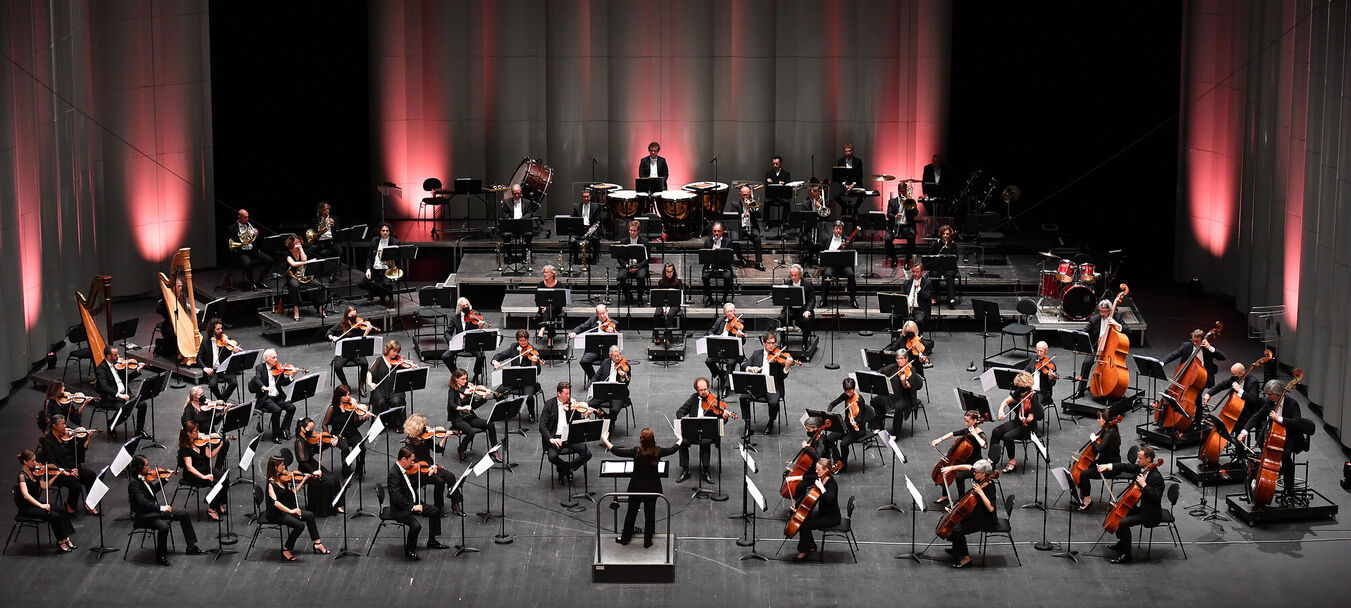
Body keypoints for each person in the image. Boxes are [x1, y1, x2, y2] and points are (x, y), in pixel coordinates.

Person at [1238, 379, 1316, 503]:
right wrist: (1244, 431)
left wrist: (1279, 419)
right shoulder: (1270, 402)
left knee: (1285, 457)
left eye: (1269, 394)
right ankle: (1256, 486)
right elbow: (1257, 416)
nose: (1267, 397)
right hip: (1275, 436)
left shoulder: (1292, 404)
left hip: (1292, 437)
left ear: (1279, 394)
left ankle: (1288, 489)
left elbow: (1297, 423)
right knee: (1262, 455)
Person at [602, 428, 681, 548]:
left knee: (631, 514)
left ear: (641, 440)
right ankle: (647, 541)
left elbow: (617, 451)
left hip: (636, 488)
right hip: (652, 489)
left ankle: (625, 539)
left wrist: (605, 440)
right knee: (650, 516)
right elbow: (673, 449)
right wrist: (680, 440)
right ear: (653, 439)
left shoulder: (636, 451)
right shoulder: (657, 451)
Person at [127, 454, 202, 565]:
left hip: (155, 510)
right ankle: (161, 556)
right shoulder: (134, 484)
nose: (149, 468)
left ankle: (191, 547)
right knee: (163, 527)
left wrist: (166, 478)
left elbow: (153, 490)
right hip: (145, 515)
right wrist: (162, 508)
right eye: (146, 466)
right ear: (139, 468)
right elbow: (143, 503)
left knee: (184, 514)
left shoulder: (144, 478)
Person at [1097, 446, 1163, 563]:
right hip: (1138, 507)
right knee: (1117, 511)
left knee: (1122, 522)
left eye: (1140, 458)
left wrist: (1144, 486)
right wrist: (1108, 466)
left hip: (1148, 512)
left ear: (1148, 459)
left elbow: (1156, 498)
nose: (1138, 460)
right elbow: (1125, 466)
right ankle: (1122, 542)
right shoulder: (1141, 469)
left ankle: (1126, 555)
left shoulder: (1157, 477)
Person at [265, 455, 329, 561]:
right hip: (277, 513)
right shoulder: (271, 484)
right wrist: (291, 510)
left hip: (287, 509)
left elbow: (293, 493)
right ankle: (286, 549)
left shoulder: (283, 479)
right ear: (275, 467)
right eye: (282, 465)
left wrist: (303, 480)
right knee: (299, 525)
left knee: (310, 515)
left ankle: (317, 543)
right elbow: (275, 503)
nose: (285, 467)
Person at [389, 446, 447, 560]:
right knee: (416, 526)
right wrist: (412, 507)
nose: (413, 463)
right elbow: (397, 497)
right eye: (411, 461)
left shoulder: (406, 468)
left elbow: (418, 481)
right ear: (404, 459)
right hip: (401, 508)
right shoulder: (394, 474)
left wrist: (429, 472)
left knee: (436, 511)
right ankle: (410, 550)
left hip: (413, 501)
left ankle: (432, 541)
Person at [937, 459, 998, 568]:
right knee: (954, 521)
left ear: (983, 474)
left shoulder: (990, 487)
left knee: (957, 529)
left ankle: (966, 558)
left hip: (986, 519)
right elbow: (969, 467)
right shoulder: (980, 477)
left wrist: (981, 493)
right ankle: (956, 549)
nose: (973, 474)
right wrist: (952, 468)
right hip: (976, 513)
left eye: (976, 473)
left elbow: (991, 508)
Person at [402, 414, 466, 516]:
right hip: (418, 470)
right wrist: (429, 468)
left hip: (431, 465)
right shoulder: (409, 442)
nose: (426, 427)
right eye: (423, 425)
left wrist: (444, 437)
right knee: (439, 481)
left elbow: (438, 449)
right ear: (417, 427)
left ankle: (455, 504)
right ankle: (438, 507)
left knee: (450, 476)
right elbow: (414, 461)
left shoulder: (426, 437)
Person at [14, 449, 77, 552]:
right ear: (25, 462)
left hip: (36, 504)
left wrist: (57, 475)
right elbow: (25, 495)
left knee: (62, 510)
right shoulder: (22, 476)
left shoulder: (35, 472)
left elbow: (44, 486)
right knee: (54, 516)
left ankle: (66, 538)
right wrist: (41, 506)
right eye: (33, 461)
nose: (36, 463)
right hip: (27, 508)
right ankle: (61, 541)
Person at [35, 415, 98, 515]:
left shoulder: (66, 437)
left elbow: (78, 454)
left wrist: (87, 439)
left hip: (71, 467)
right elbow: (52, 462)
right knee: (75, 485)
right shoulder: (47, 441)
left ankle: (90, 503)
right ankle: (70, 505)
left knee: (91, 475)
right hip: (57, 472)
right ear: (54, 426)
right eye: (63, 424)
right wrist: (67, 471)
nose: (66, 426)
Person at [674, 377, 734, 484]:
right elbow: (679, 412)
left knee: (705, 441)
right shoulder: (694, 398)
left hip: (708, 432)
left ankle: (706, 471)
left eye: (705, 389)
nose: (704, 392)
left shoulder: (714, 400)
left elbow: (721, 423)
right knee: (682, 441)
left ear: (708, 387)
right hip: (693, 431)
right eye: (701, 390)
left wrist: (724, 417)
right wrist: (684, 422)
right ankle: (685, 470)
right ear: (697, 390)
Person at [1071, 300, 1130, 399]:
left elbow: (1128, 330)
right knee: (1086, 363)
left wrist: (1116, 324)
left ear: (1110, 310)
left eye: (1104, 311)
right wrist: (1079, 345)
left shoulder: (1117, 317)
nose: (1102, 314)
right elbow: (1085, 332)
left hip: (1110, 349)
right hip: (1097, 348)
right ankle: (1080, 390)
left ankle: (1112, 387)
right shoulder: (1094, 319)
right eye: (1100, 311)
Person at [540, 382, 596, 483]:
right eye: (566, 394)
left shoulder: (572, 405)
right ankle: (565, 467)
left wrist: (586, 416)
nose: (568, 396)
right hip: (556, 436)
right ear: (559, 393)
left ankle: (565, 469)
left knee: (587, 454)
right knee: (552, 457)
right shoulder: (549, 405)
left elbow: (577, 423)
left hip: (570, 435)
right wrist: (551, 439)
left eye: (569, 393)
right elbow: (542, 426)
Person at [988, 371, 1043, 473]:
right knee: (996, 431)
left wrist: (1024, 419)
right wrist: (1001, 410)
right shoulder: (1020, 391)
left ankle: (1012, 461)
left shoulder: (1033, 397)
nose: (1018, 386)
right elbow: (1006, 401)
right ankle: (991, 459)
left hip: (1028, 426)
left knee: (1007, 437)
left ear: (1026, 384)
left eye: (1020, 384)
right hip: (1017, 422)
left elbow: (1031, 418)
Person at [1161, 329, 1227, 410]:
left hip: (1201, 378)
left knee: (1197, 397)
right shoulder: (1187, 346)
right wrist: (1163, 363)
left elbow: (1223, 357)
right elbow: (1174, 354)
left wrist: (1210, 348)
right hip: (1186, 375)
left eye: (1197, 341)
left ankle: (1197, 420)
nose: (1195, 343)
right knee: (1167, 392)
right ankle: (1163, 417)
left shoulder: (1208, 348)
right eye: (1193, 340)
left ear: (1203, 340)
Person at [740, 332, 792, 436]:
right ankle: (747, 425)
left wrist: (786, 367)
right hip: (757, 387)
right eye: (769, 343)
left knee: (773, 402)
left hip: (773, 387)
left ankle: (771, 422)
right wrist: (750, 368)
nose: (771, 345)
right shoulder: (756, 354)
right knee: (743, 397)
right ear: (764, 343)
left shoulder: (779, 357)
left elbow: (782, 376)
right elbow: (743, 366)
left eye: (773, 343)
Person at [791, 457, 841, 561]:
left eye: (818, 469)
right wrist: (794, 478)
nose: (816, 471)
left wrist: (821, 488)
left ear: (826, 470)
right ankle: (810, 544)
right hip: (823, 513)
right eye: (816, 469)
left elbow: (830, 499)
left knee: (804, 525)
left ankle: (804, 550)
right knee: (803, 519)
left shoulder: (832, 484)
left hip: (831, 517)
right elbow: (810, 477)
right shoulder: (821, 478)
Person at [931, 410, 987, 502]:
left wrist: (975, 435)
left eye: (968, 421)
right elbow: (953, 434)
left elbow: (984, 445)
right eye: (965, 421)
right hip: (962, 460)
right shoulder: (967, 430)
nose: (966, 423)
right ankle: (945, 495)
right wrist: (940, 439)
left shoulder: (981, 434)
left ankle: (961, 499)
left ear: (975, 420)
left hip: (974, 464)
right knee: (945, 470)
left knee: (959, 476)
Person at [177, 421, 227, 520]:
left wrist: (221, 445)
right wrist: (204, 476)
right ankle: (211, 509)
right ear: (188, 433)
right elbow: (189, 467)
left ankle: (219, 503)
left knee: (225, 479)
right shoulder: (185, 448)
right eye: (196, 431)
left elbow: (210, 455)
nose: (199, 433)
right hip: (194, 475)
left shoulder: (201, 443)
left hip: (205, 470)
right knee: (217, 483)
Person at [490, 330, 544, 421]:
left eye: (525, 340)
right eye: (521, 341)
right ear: (517, 341)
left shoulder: (533, 351)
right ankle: (508, 410)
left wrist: (534, 363)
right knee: (497, 394)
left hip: (528, 381)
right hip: (513, 379)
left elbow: (537, 372)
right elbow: (500, 355)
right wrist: (495, 361)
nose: (523, 343)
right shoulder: (513, 348)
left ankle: (531, 413)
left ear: (528, 340)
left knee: (529, 397)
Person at [95, 345, 147, 438]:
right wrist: (119, 395)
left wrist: (137, 370)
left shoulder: (118, 365)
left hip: (125, 393)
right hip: (112, 398)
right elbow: (104, 386)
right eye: (115, 355)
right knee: (123, 409)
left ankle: (139, 431)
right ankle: (111, 425)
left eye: (117, 354)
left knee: (142, 404)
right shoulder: (101, 369)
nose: (118, 356)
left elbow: (127, 379)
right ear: (108, 356)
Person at [1075, 409, 1121, 511]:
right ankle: (1082, 494)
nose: (1097, 420)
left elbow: (1098, 448)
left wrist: (1094, 440)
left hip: (1110, 467)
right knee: (1082, 465)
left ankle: (1087, 499)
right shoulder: (1108, 429)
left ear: (1105, 419)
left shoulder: (1109, 433)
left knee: (1084, 474)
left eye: (1099, 418)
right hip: (1103, 461)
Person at [294, 417, 342, 516]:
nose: (312, 432)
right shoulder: (299, 442)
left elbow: (317, 450)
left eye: (313, 429)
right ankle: (325, 509)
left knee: (334, 478)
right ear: (302, 429)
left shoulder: (308, 438)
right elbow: (302, 462)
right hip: (306, 467)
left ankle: (336, 505)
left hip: (312, 463)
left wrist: (329, 444)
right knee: (328, 481)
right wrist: (313, 472)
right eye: (310, 429)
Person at [447, 369, 497, 461]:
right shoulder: (452, 391)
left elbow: (473, 406)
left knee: (490, 424)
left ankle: (494, 450)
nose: (465, 381)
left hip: (469, 417)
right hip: (458, 419)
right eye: (462, 379)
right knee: (471, 432)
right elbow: (451, 405)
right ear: (456, 379)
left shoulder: (469, 390)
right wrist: (463, 407)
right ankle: (461, 449)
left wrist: (484, 397)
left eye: (466, 379)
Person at [323, 385, 369, 480]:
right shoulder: (332, 408)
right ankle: (346, 474)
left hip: (352, 432)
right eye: (346, 395)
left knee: (362, 447)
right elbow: (324, 424)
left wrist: (363, 419)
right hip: (338, 434)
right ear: (340, 397)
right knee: (345, 449)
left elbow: (356, 425)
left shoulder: (352, 407)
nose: (349, 397)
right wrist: (329, 437)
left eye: (349, 394)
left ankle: (359, 471)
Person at [180, 385, 232, 469]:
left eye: (203, 394)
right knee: (204, 450)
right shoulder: (189, 410)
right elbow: (186, 426)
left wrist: (224, 410)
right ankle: (204, 468)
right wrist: (198, 434)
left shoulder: (207, 406)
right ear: (194, 398)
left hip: (211, 435)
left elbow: (215, 422)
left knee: (225, 442)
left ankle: (218, 468)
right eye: (200, 395)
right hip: (199, 438)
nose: (203, 397)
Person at [251, 349, 297, 443]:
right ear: (266, 358)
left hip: (277, 397)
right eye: (273, 357)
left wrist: (291, 376)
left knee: (291, 407)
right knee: (277, 410)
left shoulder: (278, 368)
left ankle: (284, 430)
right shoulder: (260, 367)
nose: (276, 359)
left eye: (276, 357)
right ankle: (275, 435)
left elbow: (283, 383)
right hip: (265, 398)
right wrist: (264, 387)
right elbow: (257, 379)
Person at [824, 378, 869, 472]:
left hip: (858, 429)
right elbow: (832, 404)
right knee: (828, 439)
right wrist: (828, 413)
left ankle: (844, 464)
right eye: (847, 391)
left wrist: (854, 422)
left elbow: (860, 419)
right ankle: (837, 461)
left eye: (851, 391)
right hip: (846, 426)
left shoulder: (859, 400)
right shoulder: (845, 395)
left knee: (843, 443)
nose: (849, 393)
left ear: (854, 388)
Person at [328, 306, 373, 396]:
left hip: (356, 350)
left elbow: (363, 338)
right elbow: (329, 332)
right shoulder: (342, 324)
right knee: (337, 366)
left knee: (365, 364)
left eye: (355, 315)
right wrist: (332, 337)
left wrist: (367, 331)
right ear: (347, 315)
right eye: (351, 315)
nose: (354, 318)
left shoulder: (359, 325)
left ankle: (361, 386)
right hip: (343, 351)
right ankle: (345, 384)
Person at [442, 297, 489, 383]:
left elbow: (479, 332)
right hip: (459, 343)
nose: (466, 307)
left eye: (467, 304)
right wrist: (451, 342)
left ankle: (476, 374)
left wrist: (480, 327)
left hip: (472, 343)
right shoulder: (454, 317)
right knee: (445, 356)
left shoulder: (475, 314)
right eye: (464, 305)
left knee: (481, 356)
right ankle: (457, 374)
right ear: (459, 307)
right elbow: (447, 333)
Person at [704, 303, 747, 396]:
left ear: (734, 312)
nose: (730, 313)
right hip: (720, 350)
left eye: (731, 311)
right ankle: (721, 374)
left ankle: (726, 387)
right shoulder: (720, 320)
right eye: (727, 311)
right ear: (724, 312)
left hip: (733, 351)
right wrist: (714, 336)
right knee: (708, 361)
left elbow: (743, 342)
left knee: (731, 363)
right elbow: (710, 331)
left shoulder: (740, 322)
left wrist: (740, 336)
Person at [877, 349, 922, 437]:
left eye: (901, 358)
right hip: (893, 396)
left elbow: (908, 387)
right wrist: (879, 375)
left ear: (906, 359)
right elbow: (881, 370)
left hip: (906, 398)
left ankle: (896, 433)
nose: (899, 361)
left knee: (899, 407)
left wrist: (904, 381)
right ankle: (879, 426)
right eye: (897, 358)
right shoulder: (894, 367)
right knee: (876, 401)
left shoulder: (911, 371)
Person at [568, 304, 617, 381]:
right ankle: (594, 380)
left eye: (603, 313)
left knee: (607, 363)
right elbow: (581, 327)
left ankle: (603, 382)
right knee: (583, 361)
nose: (602, 316)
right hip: (594, 350)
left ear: (607, 312)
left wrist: (614, 331)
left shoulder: (614, 323)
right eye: (599, 314)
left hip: (607, 352)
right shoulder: (592, 320)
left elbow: (617, 336)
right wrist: (574, 332)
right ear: (597, 314)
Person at [282, 233, 325, 322]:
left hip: (304, 276)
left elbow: (304, 259)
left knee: (318, 285)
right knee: (295, 286)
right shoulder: (287, 253)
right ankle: (296, 310)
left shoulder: (303, 250)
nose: (298, 244)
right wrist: (308, 262)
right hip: (293, 277)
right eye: (296, 242)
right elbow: (293, 264)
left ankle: (319, 308)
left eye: (299, 242)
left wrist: (301, 249)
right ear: (291, 244)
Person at [367, 340, 410, 426]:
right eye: (394, 351)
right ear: (388, 350)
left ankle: (398, 423)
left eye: (397, 352)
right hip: (381, 388)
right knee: (380, 401)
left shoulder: (399, 361)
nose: (396, 354)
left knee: (396, 400)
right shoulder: (379, 361)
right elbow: (370, 373)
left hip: (394, 388)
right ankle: (380, 424)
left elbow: (406, 374)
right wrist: (370, 383)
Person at [227, 208, 270, 291]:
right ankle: (251, 282)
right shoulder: (232, 228)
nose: (247, 219)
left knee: (270, 260)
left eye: (248, 217)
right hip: (241, 252)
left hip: (253, 251)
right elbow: (229, 242)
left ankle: (260, 280)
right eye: (245, 217)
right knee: (248, 263)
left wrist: (257, 235)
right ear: (239, 216)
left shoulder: (251, 225)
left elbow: (255, 240)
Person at [197, 318, 241, 401]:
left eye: (221, 328)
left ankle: (222, 401)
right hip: (213, 370)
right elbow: (199, 357)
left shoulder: (225, 339)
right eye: (218, 329)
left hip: (224, 368)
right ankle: (221, 400)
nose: (221, 331)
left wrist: (233, 352)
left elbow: (229, 355)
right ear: (212, 329)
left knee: (234, 383)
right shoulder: (205, 340)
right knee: (212, 384)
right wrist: (205, 368)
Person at [1217, 361, 1266, 433]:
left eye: (1233, 374)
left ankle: (1236, 436)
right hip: (1237, 408)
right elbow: (1222, 385)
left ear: (1241, 374)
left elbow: (1252, 400)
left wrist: (1240, 390)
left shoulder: (1253, 382)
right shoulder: (1235, 378)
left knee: (1238, 423)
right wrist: (1209, 394)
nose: (1232, 376)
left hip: (1248, 410)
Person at [819, 221, 859, 308]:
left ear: (842, 230)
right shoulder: (826, 240)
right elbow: (822, 254)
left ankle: (853, 299)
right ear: (833, 229)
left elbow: (850, 255)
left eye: (840, 229)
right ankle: (823, 299)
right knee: (826, 274)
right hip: (831, 267)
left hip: (844, 266)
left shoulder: (847, 240)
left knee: (850, 274)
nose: (838, 231)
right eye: (836, 228)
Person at [591, 346, 633, 423]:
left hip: (618, 393)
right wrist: (592, 384)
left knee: (615, 409)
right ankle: (606, 417)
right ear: (610, 356)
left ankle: (608, 423)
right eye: (615, 356)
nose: (617, 358)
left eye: (619, 355)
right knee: (590, 405)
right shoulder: (605, 363)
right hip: (605, 391)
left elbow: (626, 383)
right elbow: (597, 376)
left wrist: (623, 378)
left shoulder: (626, 365)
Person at [360, 222, 399, 303]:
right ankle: (380, 293)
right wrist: (368, 269)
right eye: (383, 230)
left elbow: (397, 260)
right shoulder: (374, 241)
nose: (385, 232)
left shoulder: (395, 242)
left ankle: (380, 294)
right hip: (375, 269)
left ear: (389, 231)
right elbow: (370, 258)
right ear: (380, 231)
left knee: (386, 284)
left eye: (387, 231)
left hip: (386, 270)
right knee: (361, 283)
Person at [731, 185, 765, 271]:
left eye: (747, 194)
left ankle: (758, 262)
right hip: (740, 228)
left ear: (750, 194)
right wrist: (743, 215)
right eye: (743, 195)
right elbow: (733, 218)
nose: (745, 197)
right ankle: (741, 258)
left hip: (751, 227)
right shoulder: (735, 204)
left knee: (757, 238)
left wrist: (752, 207)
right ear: (740, 194)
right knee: (733, 238)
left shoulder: (753, 203)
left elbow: (759, 216)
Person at [616, 220, 651, 303]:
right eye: (630, 230)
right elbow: (620, 258)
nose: (632, 232)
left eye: (634, 230)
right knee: (620, 277)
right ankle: (628, 296)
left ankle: (639, 298)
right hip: (627, 266)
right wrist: (627, 265)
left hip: (640, 266)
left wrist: (638, 267)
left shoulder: (645, 242)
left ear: (638, 231)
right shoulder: (624, 241)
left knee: (640, 277)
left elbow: (647, 258)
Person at [500, 184, 535, 264]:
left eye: (518, 193)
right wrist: (511, 220)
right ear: (512, 193)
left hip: (522, 224)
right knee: (506, 235)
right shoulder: (507, 202)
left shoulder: (527, 202)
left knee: (529, 234)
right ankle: (509, 255)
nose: (516, 195)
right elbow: (505, 214)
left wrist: (522, 219)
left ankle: (525, 255)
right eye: (515, 193)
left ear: (521, 192)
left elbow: (530, 213)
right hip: (512, 225)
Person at [701, 222, 735, 305]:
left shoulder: (727, 241)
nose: (717, 233)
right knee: (705, 276)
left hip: (724, 267)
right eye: (715, 231)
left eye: (719, 231)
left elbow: (729, 258)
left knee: (727, 277)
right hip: (711, 267)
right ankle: (709, 297)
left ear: (722, 231)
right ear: (712, 231)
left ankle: (724, 298)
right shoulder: (708, 241)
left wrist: (720, 250)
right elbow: (704, 257)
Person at [884, 191, 918, 270]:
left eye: (904, 191)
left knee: (911, 236)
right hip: (895, 226)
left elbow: (915, 213)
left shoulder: (911, 201)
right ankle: (894, 258)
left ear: (906, 191)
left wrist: (907, 204)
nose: (902, 193)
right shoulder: (892, 201)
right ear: (898, 190)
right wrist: (895, 216)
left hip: (907, 226)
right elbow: (889, 214)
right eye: (901, 191)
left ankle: (907, 260)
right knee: (887, 239)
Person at [782, 264, 815, 344]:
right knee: (781, 318)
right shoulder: (787, 282)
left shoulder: (808, 283)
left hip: (803, 309)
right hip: (791, 309)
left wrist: (808, 310)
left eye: (795, 275)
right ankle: (783, 342)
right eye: (791, 275)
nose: (793, 278)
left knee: (807, 319)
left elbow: (812, 299)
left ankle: (804, 343)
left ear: (800, 274)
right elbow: (784, 298)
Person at [652, 263, 683, 346]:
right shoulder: (661, 282)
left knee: (669, 315)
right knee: (657, 314)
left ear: (673, 271)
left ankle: (668, 337)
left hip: (674, 304)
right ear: (664, 272)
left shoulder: (678, 282)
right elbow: (659, 297)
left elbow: (678, 299)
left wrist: (669, 307)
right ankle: (656, 336)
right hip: (662, 303)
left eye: (671, 271)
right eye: (667, 271)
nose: (669, 273)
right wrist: (664, 306)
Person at [570, 189, 603, 267]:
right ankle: (575, 258)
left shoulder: (595, 207)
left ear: (590, 197)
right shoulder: (576, 207)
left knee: (595, 239)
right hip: (580, 229)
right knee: (572, 240)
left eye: (587, 197)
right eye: (584, 197)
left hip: (591, 228)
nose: (586, 199)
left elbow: (597, 221)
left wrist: (591, 230)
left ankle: (594, 258)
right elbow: (574, 220)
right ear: (582, 197)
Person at [929, 224, 959, 306]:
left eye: (947, 234)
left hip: (950, 268)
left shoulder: (953, 245)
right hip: (938, 267)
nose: (945, 236)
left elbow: (956, 258)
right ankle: (934, 297)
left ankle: (951, 298)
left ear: (950, 234)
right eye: (943, 234)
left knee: (949, 276)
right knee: (934, 274)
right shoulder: (936, 244)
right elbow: (930, 257)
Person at [535, 265, 565, 347]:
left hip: (556, 308)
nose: (544, 274)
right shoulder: (540, 285)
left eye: (547, 272)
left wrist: (547, 308)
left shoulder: (559, 285)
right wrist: (543, 307)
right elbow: (537, 300)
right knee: (549, 314)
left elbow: (560, 301)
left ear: (552, 274)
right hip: (543, 309)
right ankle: (550, 340)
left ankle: (543, 327)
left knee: (550, 310)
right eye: (544, 272)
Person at [897, 262, 932, 329]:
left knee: (918, 320)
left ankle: (916, 338)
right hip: (907, 308)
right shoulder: (907, 282)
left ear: (922, 272)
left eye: (917, 272)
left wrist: (919, 288)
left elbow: (927, 297)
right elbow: (902, 296)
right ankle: (899, 337)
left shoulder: (927, 283)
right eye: (913, 272)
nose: (915, 274)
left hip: (919, 309)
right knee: (894, 316)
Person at [1023, 341, 1058, 408]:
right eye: (1037, 351)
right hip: (1030, 389)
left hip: (1042, 392)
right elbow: (1026, 370)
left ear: (1046, 351)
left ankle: (1032, 417)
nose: (1039, 353)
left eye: (1041, 351)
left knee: (1032, 404)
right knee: (1016, 400)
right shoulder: (1034, 359)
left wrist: (1051, 379)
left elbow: (1052, 384)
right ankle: (1020, 417)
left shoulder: (1051, 364)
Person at [833, 144, 864, 218]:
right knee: (836, 195)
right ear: (844, 152)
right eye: (846, 151)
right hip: (844, 183)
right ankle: (844, 206)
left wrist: (853, 185)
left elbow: (860, 175)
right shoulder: (840, 161)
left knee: (862, 195)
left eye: (849, 151)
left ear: (852, 151)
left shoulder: (858, 161)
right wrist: (845, 184)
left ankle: (855, 208)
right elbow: (839, 175)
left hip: (855, 183)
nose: (848, 153)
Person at [764, 155, 792, 228]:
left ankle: (783, 222)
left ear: (780, 164)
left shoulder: (786, 173)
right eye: (773, 164)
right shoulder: (769, 173)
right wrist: (779, 183)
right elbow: (767, 184)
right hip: (772, 196)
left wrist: (774, 182)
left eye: (776, 164)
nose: (775, 165)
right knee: (766, 202)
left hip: (782, 196)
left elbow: (787, 184)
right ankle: (767, 223)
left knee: (787, 203)